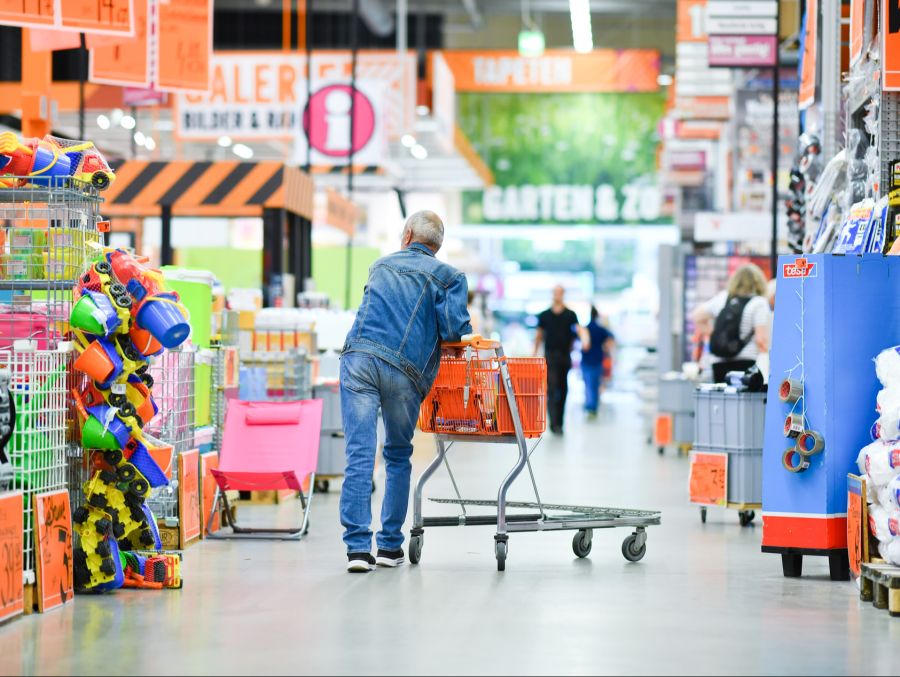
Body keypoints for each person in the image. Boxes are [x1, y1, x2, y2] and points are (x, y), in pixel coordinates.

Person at [340, 210, 471, 573]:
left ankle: (357, 551)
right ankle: (389, 547)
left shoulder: (380, 266)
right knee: (397, 454)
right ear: (437, 245)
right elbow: (455, 332)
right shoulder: (450, 277)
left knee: (359, 455)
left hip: (358, 361)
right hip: (404, 371)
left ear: (408, 234)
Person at [693, 263, 771, 383]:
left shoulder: (723, 298)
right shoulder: (759, 303)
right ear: (759, 282)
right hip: (746, 361)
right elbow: (761, 340)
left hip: (718, 363)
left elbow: (697, 316)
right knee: (745, 395)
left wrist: (713, 334)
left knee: (722, 395)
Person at [533, 285, 590, 434]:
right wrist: (534, 354)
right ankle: (553, 423)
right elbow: (539, 335)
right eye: (555, 292)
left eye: (560, 292)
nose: (557, 295)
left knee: (563, 388)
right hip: (550, 356)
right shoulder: (544, 315)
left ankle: (560, 422)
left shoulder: (570, 314)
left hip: (565, 356)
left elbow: (579, 330)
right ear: (552, 294)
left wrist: (585, 340)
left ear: (563, 294)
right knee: (552, 388)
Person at [581, 307, 615, 419]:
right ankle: (593, 408)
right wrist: (606, 348)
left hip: (586, 361)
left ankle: (589, 406)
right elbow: (611, 338)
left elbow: (582, 344)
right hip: (597, 360)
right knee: (595, 385)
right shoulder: (601, 329)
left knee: (587, 385)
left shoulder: (585, 329)